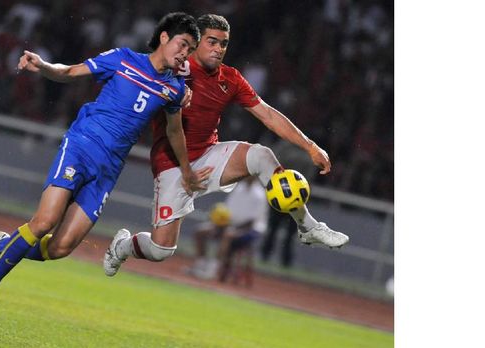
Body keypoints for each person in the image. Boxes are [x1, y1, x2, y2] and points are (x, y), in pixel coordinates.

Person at [0, 12, 203, 329]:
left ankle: (2, 244)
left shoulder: (173, 90)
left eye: (189, 50)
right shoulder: (122, 59)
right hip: (81, 145)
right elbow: (73, 72)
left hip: (108, 170)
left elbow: (174, 132)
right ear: (164, 37)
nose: (184, 54)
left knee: (61, 247)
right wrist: (45, 67)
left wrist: (186, 170)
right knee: (44, 222)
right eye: (182, 44)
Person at [103, 14, 349, 277]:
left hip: (209, 155)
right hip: (172, 164)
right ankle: (124, 246)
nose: (218, 49)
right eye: (212, 41)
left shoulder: (229, 78)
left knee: (261, 155)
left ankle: (308, 227)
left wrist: (310, 146)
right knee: (161, 250)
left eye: (224, 43)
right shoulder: (172, 68)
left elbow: (267, 114)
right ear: (196, 43)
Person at [191, 176, 268, 280]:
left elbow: (252, 221)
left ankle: (213, 270)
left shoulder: (260, 195)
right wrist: (220, 224)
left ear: (255, 176)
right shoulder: (239, 188)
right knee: (200, 231)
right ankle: (200, 265)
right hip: (230, 225)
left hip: (250, 230)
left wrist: (231, 228)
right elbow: (227, 210)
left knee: (227, 235)